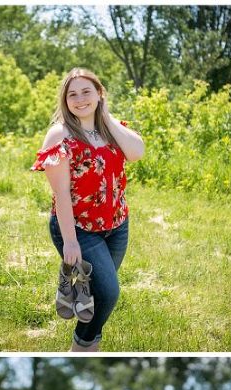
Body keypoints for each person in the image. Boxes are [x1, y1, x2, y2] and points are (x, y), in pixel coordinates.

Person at [32, 68, 144, 353]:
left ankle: (86, 344)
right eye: (73, 94)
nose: (80, 99)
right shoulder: (60, 134)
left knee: (97, 293)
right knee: (108, 293)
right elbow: (61, 194)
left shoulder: (110, 128)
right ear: (65, 100)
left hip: (117, 225)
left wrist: (105, 116)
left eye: (86, 92)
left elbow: (137, 152)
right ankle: (82, 348)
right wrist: (70, 241)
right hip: (79, 228)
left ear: (99, 94)